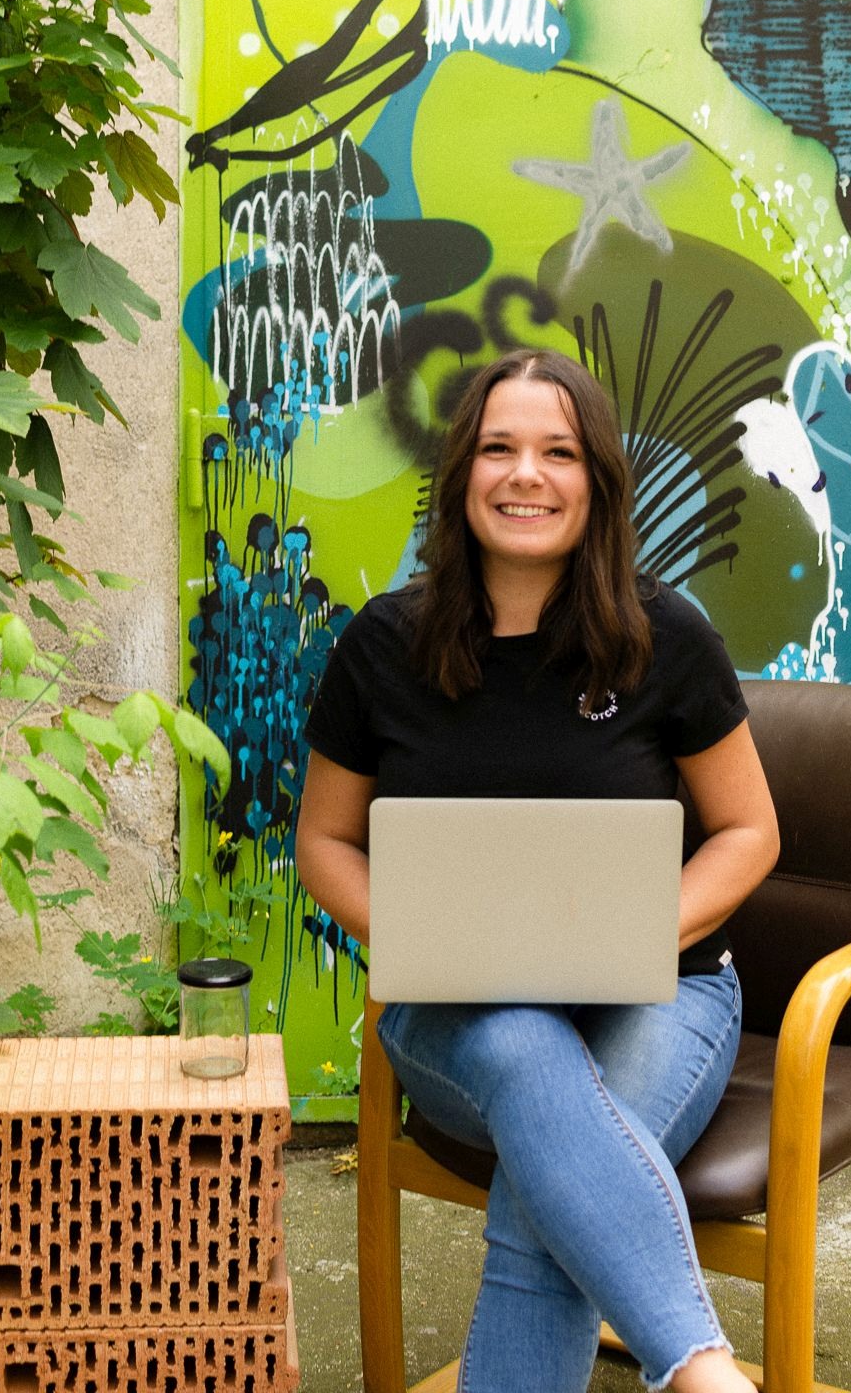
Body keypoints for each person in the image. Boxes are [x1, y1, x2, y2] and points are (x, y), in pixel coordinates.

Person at [296, 347, 779, 1393]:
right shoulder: (383, 645)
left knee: (544, 1181)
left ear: (597, 482)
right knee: (525, 1056)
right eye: (497, 448)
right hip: (455, 1014)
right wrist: (418, 933)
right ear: (461, 473)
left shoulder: (666, 638)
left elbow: (748, 831)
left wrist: (638, 935)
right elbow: (324, 844)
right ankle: (701, 1367)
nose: (526, 474)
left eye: (558, 451)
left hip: (664, 991)